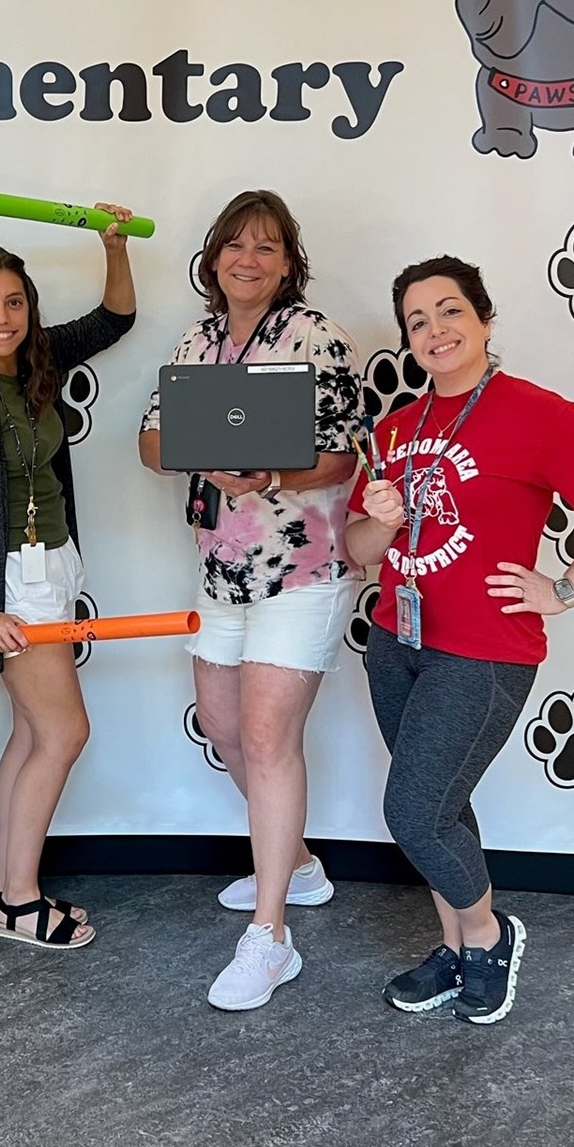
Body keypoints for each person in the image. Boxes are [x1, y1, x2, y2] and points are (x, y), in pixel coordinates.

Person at [345, 255, 574, 1025]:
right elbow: (358, 552)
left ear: (484, 319)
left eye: (450, 311)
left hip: (484, 650)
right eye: (417, 321)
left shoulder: (535, 414)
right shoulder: (395, 428)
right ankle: (455, 951)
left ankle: (489, 936)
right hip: (396, 640)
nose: (435, 330)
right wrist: (381, 519)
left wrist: (562, 587)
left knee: (415, 812)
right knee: (443, 805)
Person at [139, 189, 363, 1010]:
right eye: (236, 244)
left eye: (267, 247)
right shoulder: (195, 341)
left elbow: (342, 458)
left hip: (301, 571)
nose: (249, 259)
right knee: (227, 730)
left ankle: (269, 939)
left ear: (287, 263)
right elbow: (150, 440)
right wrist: (197, 454)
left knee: (269, 738)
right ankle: (297, 866)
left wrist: (272, 474)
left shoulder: (319, 338)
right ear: (213, 258)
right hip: (220, 574)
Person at [0, 216, 136, 949]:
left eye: (13, 302)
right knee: (65, 731)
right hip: (14, 580)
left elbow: (116, 317)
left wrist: (114, 244)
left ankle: (6, 889)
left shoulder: (37, 360)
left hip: (54, 563)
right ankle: (19, 899)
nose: (2, 318)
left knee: (31, 733)